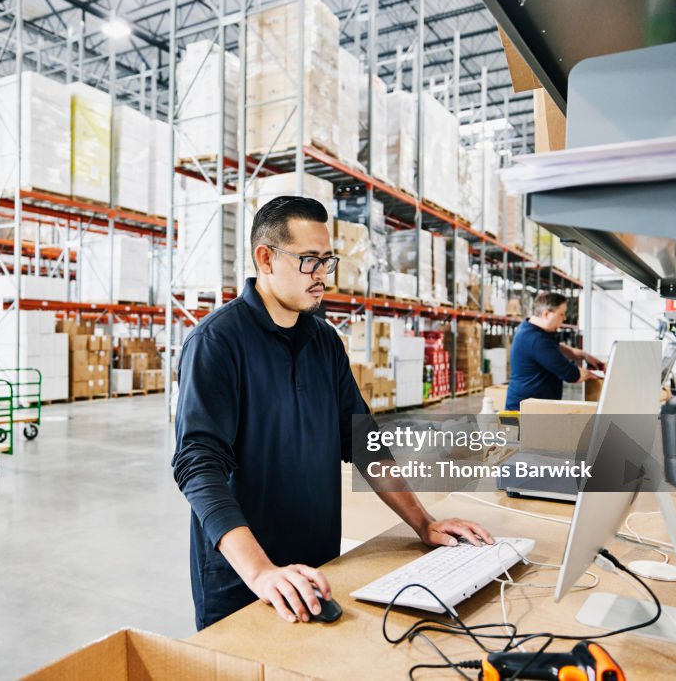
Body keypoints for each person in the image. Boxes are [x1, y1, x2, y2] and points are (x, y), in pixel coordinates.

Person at [172, 196, 494, 631]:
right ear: (265, 259)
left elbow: (363, 442)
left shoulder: (324, 342)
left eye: (327, 260)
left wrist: (424, 523)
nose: (322, 275)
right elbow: (198, 467)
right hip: (244, 579)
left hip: (320, 567)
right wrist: (261, 572)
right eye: (309, 261)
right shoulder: (217, 343)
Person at [504, 291, 603, 411]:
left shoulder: (530, 329)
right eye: (561, 314)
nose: (564, 318)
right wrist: (596, 375)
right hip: (524, 412)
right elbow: (572, 375)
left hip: (533, 408)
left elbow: (554, 347)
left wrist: (582, 355)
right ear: (546, 314)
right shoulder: (536, 340)